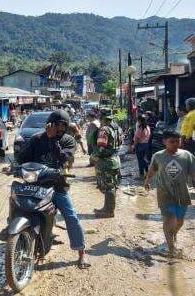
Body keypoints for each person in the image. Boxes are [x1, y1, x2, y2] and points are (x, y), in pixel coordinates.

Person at [16, 109, 90, 269]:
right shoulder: (36, 139)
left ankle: (81, 251)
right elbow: (22, 158)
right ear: (50, 123)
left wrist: (52, 141)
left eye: (64, 126)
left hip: (57, 186)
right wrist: (15, 165)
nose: (62, 129)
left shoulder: (68, 141)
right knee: (16, 201)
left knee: (71, 217)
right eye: (59, 125)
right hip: (35, 185)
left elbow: (64, 159)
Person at [144, 130, 194, 257]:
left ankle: (174, 233)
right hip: (164, 193)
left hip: (182, 193)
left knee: (180, 220)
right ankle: (171, 248)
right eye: (172, 142)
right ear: (164, 142)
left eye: (178, 141)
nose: (175, 144)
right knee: (168, 219)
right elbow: (152, 171)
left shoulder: (187, 156)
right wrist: (147, 181)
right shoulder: (158, 156)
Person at [93, 111, 121, 218]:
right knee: (111, 185)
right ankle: (106, 208)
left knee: (109, 187)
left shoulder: (104, 130)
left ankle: (108, 211)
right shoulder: (117, 128)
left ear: (102, 118)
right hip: (115, 159)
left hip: (106, 162)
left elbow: (101, 146)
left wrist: (95, 156)